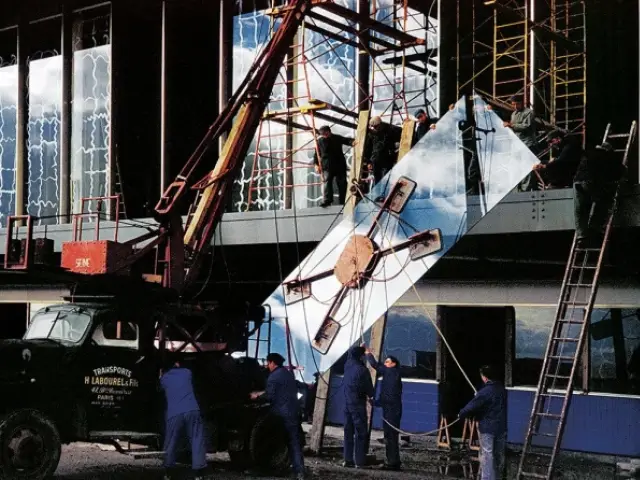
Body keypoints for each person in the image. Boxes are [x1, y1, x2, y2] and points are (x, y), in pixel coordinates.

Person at [250, 353, 305, 480]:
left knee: (268, 441)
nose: (267, 366)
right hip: (293, 412)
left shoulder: (273, 377)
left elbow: (270, 396)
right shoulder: (288, 374)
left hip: (280, 415)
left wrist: (256, 396)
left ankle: (264, 468)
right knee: (294, 443)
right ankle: (299, 472)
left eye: (268, 363)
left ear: (272, 363)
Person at [160, 354, 208, 480]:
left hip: (174, 413)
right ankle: (198, 474)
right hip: (192, 409)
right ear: (177, 363)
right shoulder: (187, 372)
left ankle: (168, 472)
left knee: (171, 442)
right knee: (197, 439)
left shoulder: (164, 378)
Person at [458, 365, 507, 480]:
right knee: (499, 454)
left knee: (487, 455)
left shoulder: (484, 392)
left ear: (484, 377)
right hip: (501, 427)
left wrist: (461, 414)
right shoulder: (502, 389)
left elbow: (471, 407)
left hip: (488, 428)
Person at [573, 142, 625, 248]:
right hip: (591, 182)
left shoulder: (588, 153)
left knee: (580, 209)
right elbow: (618, 171)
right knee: (603, 202)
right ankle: (594, 228)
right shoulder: (607, 156)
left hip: (577, 182)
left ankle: (582, 236)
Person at [362, 344, 403, 471]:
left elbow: (375, 365)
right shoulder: (393, 374)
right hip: (393, 409)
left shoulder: (390, 372)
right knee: (391, 437)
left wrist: (368, 352)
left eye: (387, 362)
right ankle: (393, 461)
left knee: (390, 436)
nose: (385, 364)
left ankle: (392, 462)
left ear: (393, 364)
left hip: (391, 410)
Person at [342, 345, 374, 469]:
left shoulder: (347, 366)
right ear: (361, 357)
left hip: (347, 404)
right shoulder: (363, 370)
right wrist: (367, 352)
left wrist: (360, 350)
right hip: (358, 404)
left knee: (348, 432)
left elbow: (352, 356)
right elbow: (369, 390)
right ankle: (359, 461)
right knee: (360, 433)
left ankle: (347, 459)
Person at [313, 125, 354, 208]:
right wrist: (316, 164)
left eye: (325, 133)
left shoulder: (337, 138)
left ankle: (343, 200)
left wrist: (352, 142)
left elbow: (347, 140)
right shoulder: (320, 141)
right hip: (327, 165)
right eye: (322, 134)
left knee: (342, 183)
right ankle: (327, 200)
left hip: (339, 165)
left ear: (329, 132)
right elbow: (316, 154)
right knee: (327, 183)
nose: (324, 135)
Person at [364, 116, 402, 188]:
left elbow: (401, 135)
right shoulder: (371, 134)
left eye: (375, 126)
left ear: (380, 124)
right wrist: (368, 162)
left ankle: (383, 196)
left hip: (387, 159)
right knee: (377, 179)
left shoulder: (390, 130)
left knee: (385, 179)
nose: (374, 128)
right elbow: (368, 149)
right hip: (376, 160)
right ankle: (377, 196)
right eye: (373, 127)